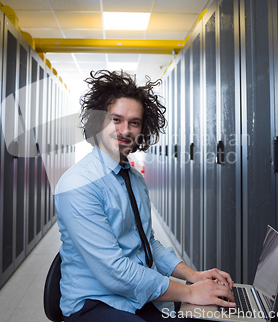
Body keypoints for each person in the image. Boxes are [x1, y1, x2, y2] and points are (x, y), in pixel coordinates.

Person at [54, 70, 235, 322]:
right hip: (94, 303)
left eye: (134, 122)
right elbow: (114, 272)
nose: (125, 130)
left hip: (136, 297)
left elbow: (147, 245)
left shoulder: (135, 179)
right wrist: (190, 292)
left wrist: (193, 276)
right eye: (115, 119)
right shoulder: (78, 185)